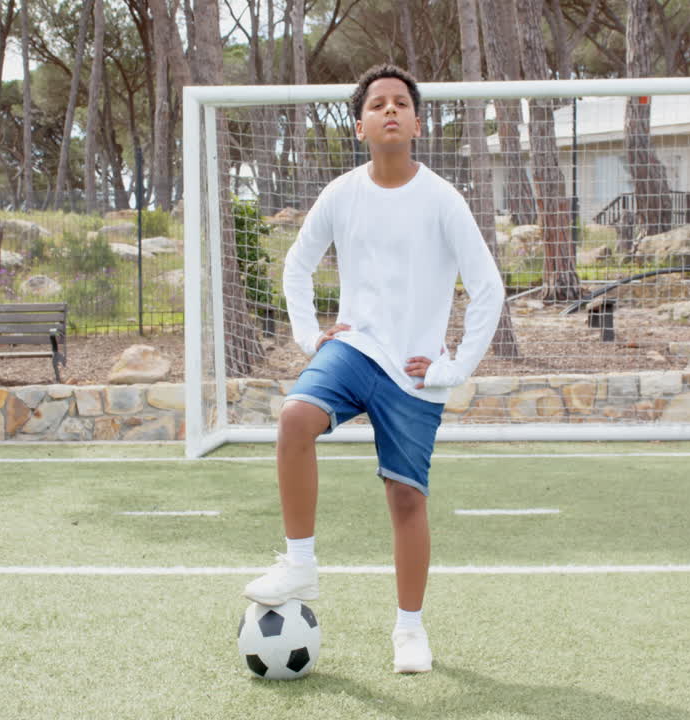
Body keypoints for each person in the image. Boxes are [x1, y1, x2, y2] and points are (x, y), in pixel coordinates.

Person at [243, 64, 504, 674]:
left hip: (416, 371)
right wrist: (311, 335)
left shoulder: (443, 198)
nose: (390, 110)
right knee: (294, 418)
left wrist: (454, 365)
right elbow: (296, 268)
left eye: (401, 104)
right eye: (378, 104)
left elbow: (487, 288)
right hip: (354, 349)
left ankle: (409, 630)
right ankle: (299, 562)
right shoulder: (341, 194)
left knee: (406, 499)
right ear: (360, 125)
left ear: (415, 122)